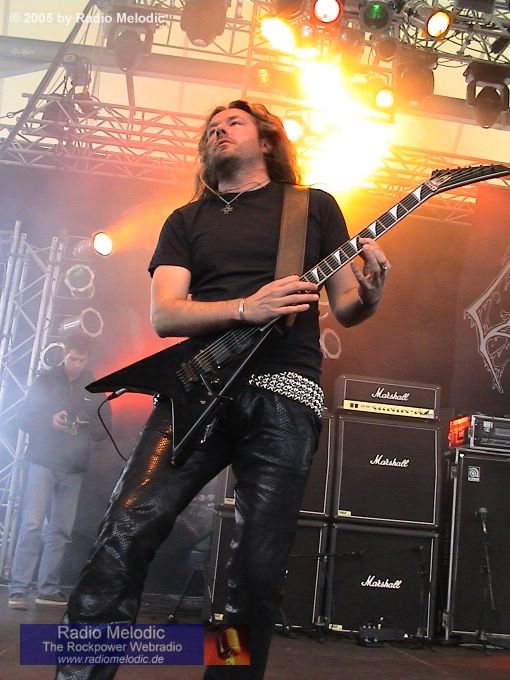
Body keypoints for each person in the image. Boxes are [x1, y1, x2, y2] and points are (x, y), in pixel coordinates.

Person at [56, 100, 391, 679]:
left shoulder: (312, 207)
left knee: (256, 570)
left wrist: (372, 295)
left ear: (267, 141)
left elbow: (345, 306)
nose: (217, 129)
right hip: (196, 390)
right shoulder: (186, 220)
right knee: (124, 532)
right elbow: (165, 314)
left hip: (286, 390)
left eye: (233, 122)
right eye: (210, 126)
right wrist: (244, 308)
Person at [8, 334, 109, 610]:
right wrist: (49, 420)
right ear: (65, 354)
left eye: (81, 360)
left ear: (88, 359)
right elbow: (23, 419)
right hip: (43, 461)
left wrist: (83, 425)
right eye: (72, 358)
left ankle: (48, 589)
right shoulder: (45, 380)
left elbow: (104, 428)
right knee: (31, 525)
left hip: (73, 467)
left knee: (61, 531)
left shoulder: (94, 387)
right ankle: (18, 589)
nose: (76, 364)